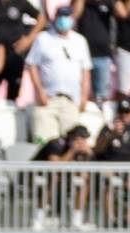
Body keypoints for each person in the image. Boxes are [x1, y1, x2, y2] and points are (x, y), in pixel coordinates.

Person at [25, 12, 93, 143]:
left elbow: (86, 71)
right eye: (61, 16)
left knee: (72, 144)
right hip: (48, 100)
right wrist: (39, 92)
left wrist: (84, 98)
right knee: (44, 143)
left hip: (71, 101)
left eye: (67, 16)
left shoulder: (80, 40)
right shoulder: (43, 38)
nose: (64, 20)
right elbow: (31, 65)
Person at [31, 125, 92, 230]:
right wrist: (72, 151)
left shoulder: (83, 149)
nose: (82, 143)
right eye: (79, 139)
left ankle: (76, 221)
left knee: (83, 183)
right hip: (35, 176)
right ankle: (38, 219)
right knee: (54, 178)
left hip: (62, 179)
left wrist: (89, 155)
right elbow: (56, 166)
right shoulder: (56, 144)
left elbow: (84, 172)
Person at [0, 0, 43, 100]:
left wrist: (29, 39)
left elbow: (41, 19)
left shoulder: (20, 2)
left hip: (15, 55)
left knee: (13, 94)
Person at [72, 0, 116, 103]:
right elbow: (74, 15)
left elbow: (123, 13)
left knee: (102, 97)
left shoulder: (108, 2)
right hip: (82, 55)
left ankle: (100, 118)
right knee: (80, 95)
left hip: (103, 55)